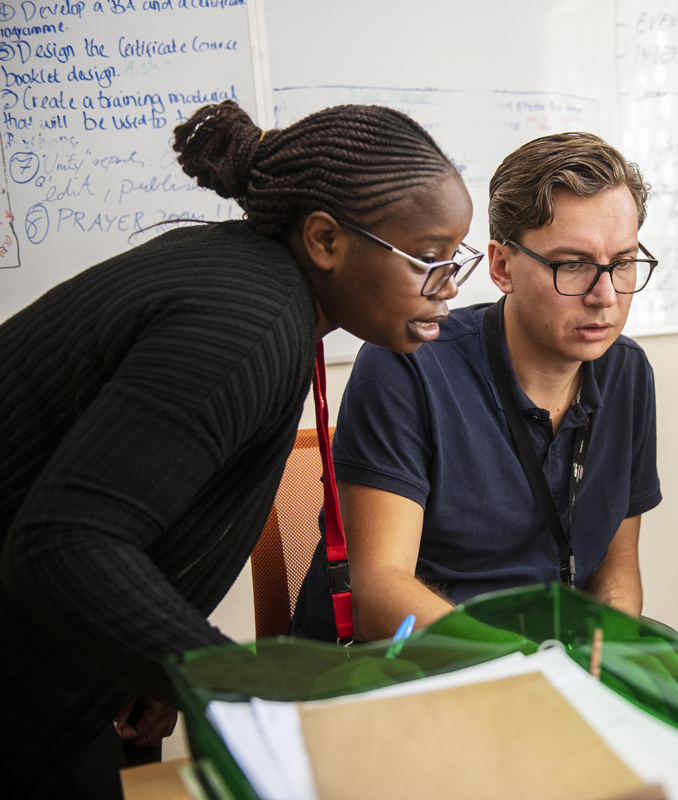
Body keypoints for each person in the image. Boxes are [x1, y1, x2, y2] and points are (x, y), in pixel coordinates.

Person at [0, 99, 479, 796]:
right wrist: (235, 680)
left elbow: (131, 497)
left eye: (453, 263)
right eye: (427, 261)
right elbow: (62, 540)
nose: (446, 290)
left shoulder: (256, 286)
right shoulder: (247, 324)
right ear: (324, 240)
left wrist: (146, 653)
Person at [290, 132, 661, 641]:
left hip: (545, 670)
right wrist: (528, 672)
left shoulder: (628, 373)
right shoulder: (406, 367)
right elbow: (377, 590)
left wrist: (609, 661)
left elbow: (615, 572)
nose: (605, 296)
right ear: (502, 266)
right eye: (572, 265)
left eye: (621, 264)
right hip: (410, 670)